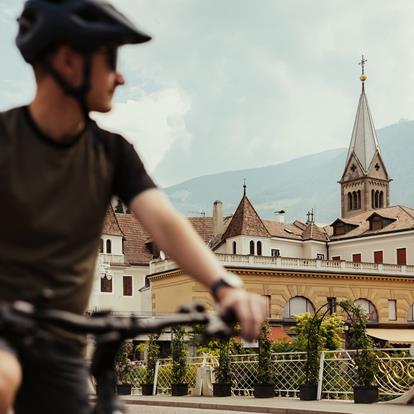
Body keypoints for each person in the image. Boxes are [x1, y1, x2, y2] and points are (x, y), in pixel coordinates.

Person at [0, 0, 267, 413]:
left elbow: (162, 220)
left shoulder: (112, 153)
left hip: (61, 346)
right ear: (69, 61)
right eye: (110, 61)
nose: (121, 77)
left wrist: (223, 284)